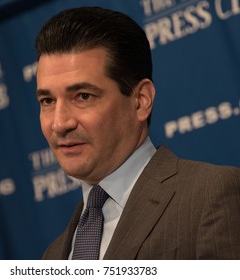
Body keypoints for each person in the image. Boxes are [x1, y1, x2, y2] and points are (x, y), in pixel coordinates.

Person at [35, 6, 240, 260]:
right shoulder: (53, 256)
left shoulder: (210, 197)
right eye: (47, 101)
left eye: (83, 96)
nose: (59, 123)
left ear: (141, 100)